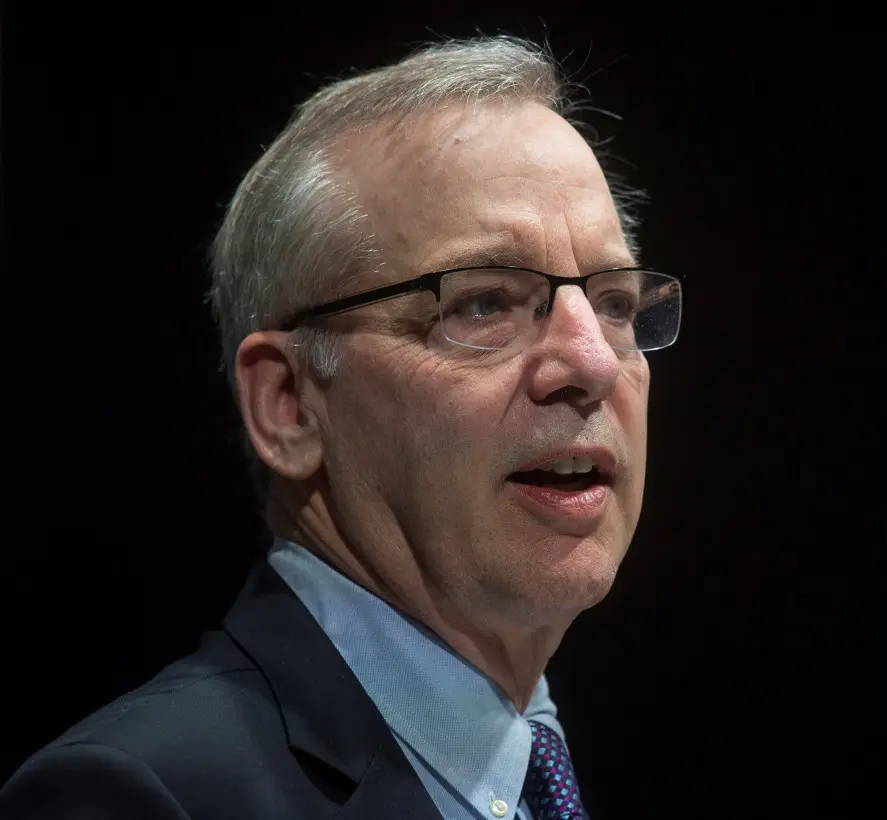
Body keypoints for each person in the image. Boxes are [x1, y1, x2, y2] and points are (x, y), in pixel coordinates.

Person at [0, 35, 682, 819]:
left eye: (616, 302)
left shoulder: (549, 772)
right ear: (288, 404)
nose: (593, 361)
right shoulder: (136, 797)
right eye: (484, 302)